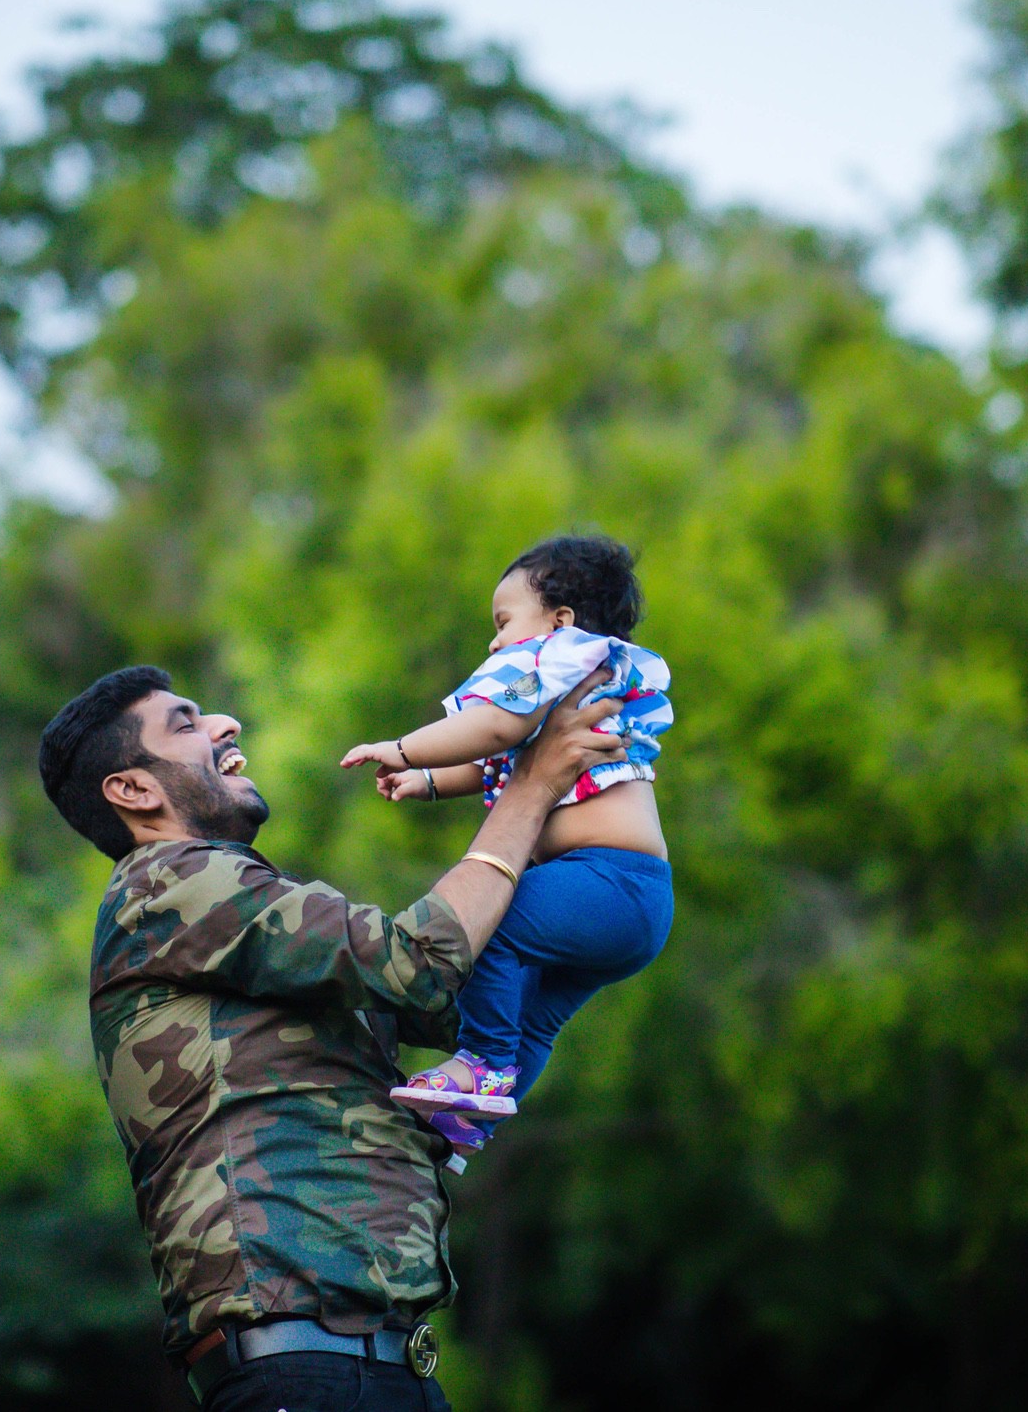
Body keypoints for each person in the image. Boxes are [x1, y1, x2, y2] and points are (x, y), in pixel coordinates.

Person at [38, 664, 624, 1411]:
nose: (225, 725)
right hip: (307, 1373)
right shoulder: (172, 883)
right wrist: (530, 786)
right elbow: (418, 962)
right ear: (133, 790)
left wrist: (605, 879)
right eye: (186, 723)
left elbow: (455, 1011)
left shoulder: (231, 915)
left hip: (364, 1369)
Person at [339, 535, 675, 1167]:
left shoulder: (559, 658)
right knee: (533, 1017)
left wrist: (405, 748)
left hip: (608, 881)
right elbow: (497, 758)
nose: (495, 643)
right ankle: (473, 1124)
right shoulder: (573, 683)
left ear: (560, 620)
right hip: (633, 900)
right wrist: (429, 781)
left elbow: (495, 727)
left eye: (502, 623)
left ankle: (482, 1068)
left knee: (490, 925)